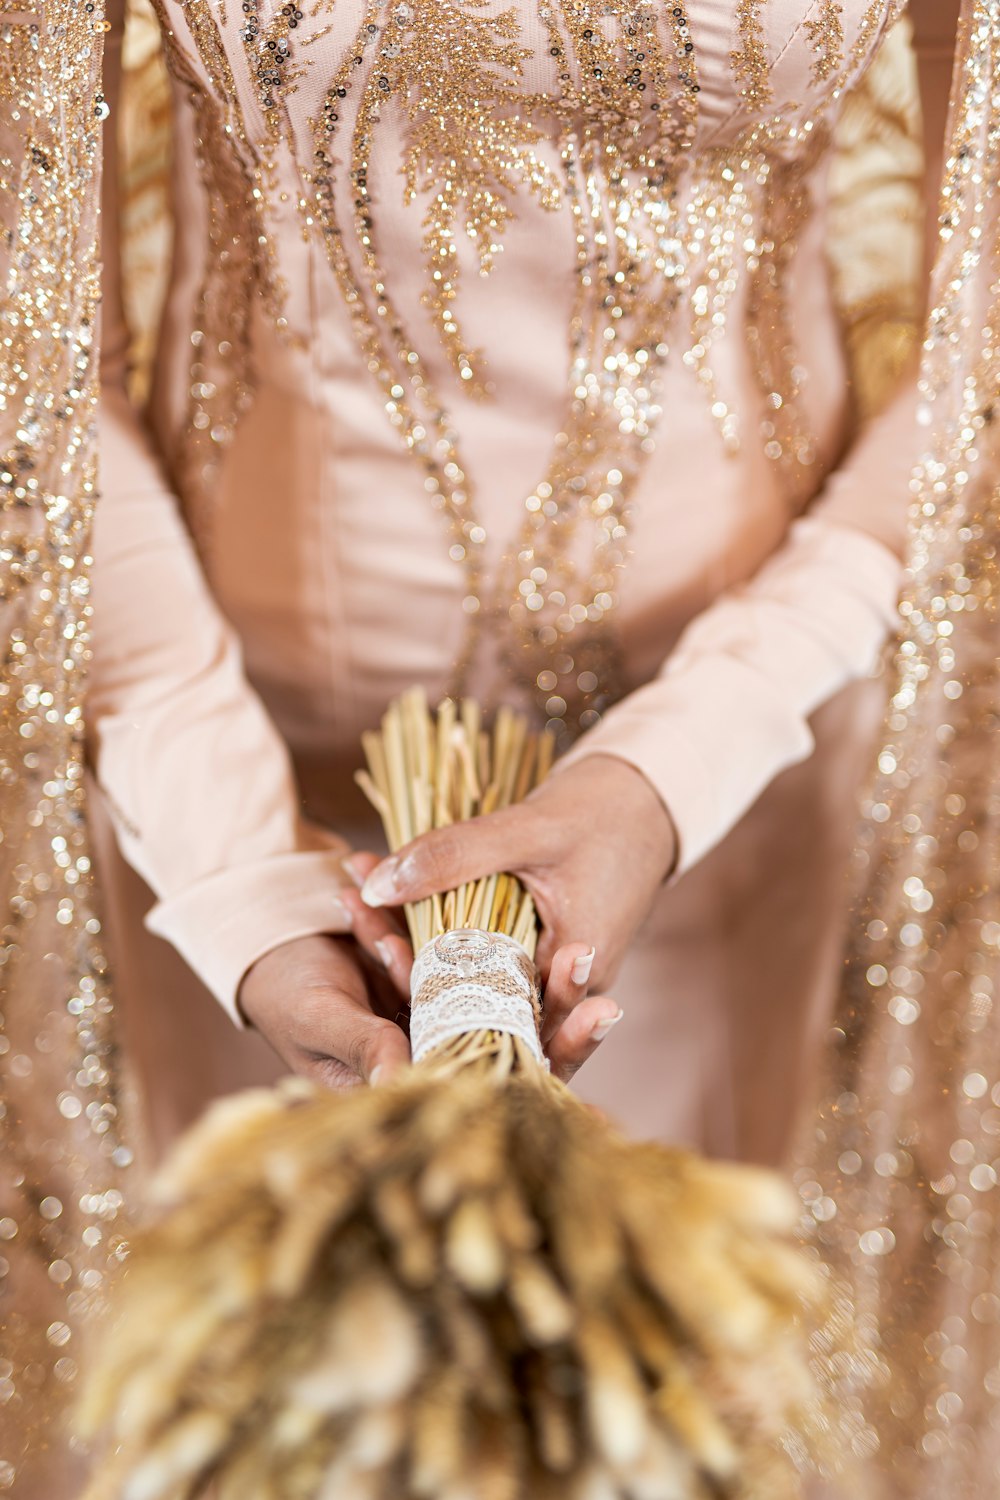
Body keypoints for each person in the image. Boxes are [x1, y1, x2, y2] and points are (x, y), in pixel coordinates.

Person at [0, 2, 972, 1493]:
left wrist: (677, 762)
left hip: (750, 759)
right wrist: (242, 878)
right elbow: (30, 312)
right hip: (238, 790)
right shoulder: (230, 833)